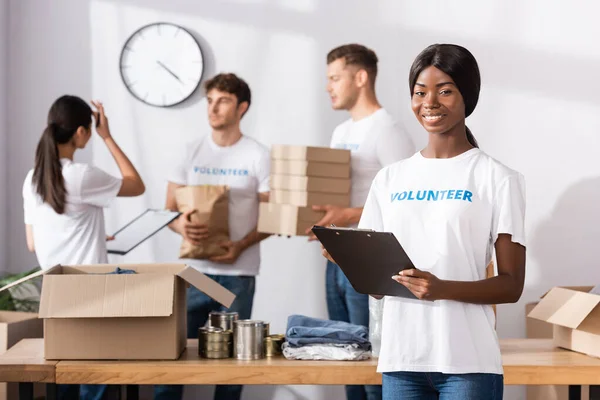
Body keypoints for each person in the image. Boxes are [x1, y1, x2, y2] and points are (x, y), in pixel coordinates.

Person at [322, 44, 526, 400]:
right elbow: (377, 287)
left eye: (445, 90)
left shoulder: (497, 178)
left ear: (468, 96)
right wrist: (353, 261)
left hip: (468, 365)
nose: (429, 102)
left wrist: (441, 288)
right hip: (402, 362)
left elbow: (511, 286)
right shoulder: (390, 179)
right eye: (420, 92)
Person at [308, 44, 415, 400]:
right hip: (335, 255)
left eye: (335, 78)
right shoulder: (340, 133)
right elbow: (339, 194)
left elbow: (403, 202)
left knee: (370, 354)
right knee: (344, 350)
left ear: (361, 77)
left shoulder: (389, 131)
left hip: (367, 257)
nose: (329, 87)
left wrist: (349, 216)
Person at [154, 73, 270, 400]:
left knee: (232, 367)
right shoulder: (190, 151)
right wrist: (183, 227)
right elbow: (168, 211)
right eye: (210, 101)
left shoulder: (258, 155)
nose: (213, 108)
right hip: (193, 274)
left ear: (242, 107)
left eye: (223, 101)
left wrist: (241, 245)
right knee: (172, 359)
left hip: (238, 275)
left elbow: (274, 217)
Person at [23, 95, 145, 400]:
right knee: (95, 380)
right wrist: (108, 136)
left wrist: (90, 234)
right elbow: (136, 184)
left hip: (54, 292)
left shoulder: (32, 179)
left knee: (66, 378)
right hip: (92, 292)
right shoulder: (81, 175)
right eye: (90, 130)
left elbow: (33, 242)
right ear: (81, 132)